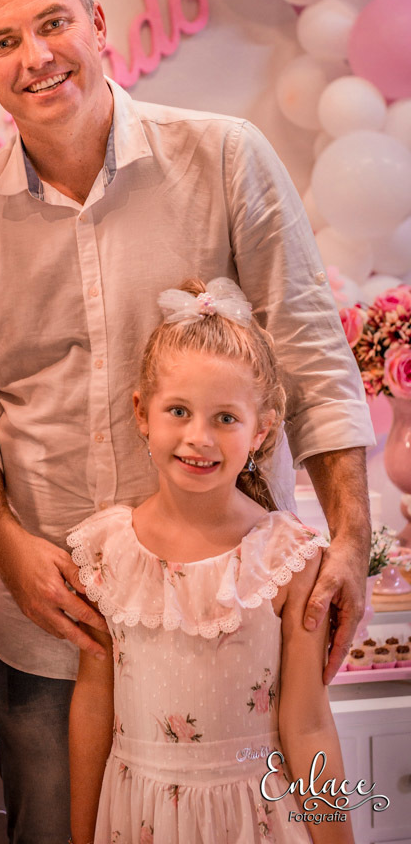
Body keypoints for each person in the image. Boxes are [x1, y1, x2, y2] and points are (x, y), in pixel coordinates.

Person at [0, 0, 373, 844]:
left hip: (236, 634)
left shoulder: (226, 157)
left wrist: (352, 538)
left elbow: (311, 355)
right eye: (4, 42)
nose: (37, 55)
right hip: (56, 636)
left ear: (98, 25)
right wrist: (5, 546)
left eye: (54, 23)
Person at [68, 277, 353, 844]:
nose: (199, 437)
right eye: (178, 410)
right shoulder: (105, 552)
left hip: (257, 817)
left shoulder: (289, 559)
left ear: (261, 430)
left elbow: (308, 725)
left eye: (225, 418)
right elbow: (93, 705)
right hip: (139, 817)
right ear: (142, 412)